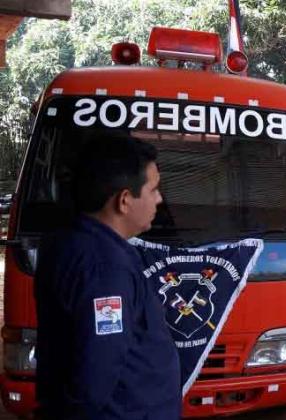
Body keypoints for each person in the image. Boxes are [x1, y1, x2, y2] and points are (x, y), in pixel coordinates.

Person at [34, 137, 181, 419]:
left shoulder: (72, 241)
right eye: (153, 189)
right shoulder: (105, 269)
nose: (160, 199)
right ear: (124, 200)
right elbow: (98, 368)